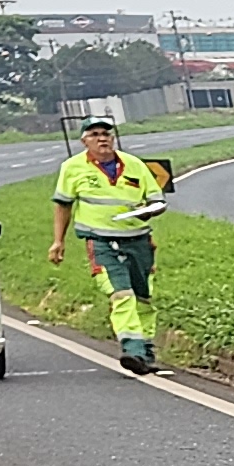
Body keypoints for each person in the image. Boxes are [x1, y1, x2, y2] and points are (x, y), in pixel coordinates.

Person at [47, 117, 172, 374]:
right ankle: (132, 348)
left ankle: (145, 349)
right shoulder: (72, 168)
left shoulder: (134, 165)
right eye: (94, 134)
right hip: (101, 242)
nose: (102, 138)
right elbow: (63, 205)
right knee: (120, 293)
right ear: (84, 141)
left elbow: (157, 201)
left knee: (142, 296)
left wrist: (147, 211)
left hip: (138, 240)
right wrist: (58, 241)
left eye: (106, 133)